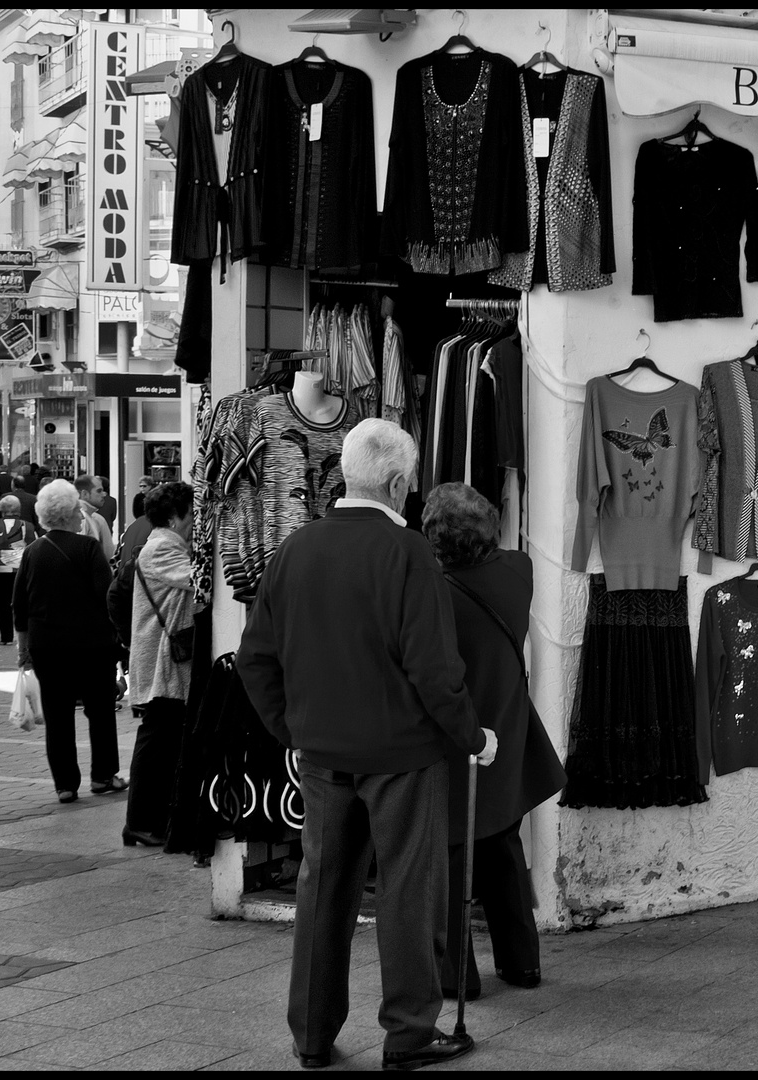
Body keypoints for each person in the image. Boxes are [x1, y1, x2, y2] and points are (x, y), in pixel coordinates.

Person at [236, 418, 498, 1073]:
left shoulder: (297, 549)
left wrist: (291, 730)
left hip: (324, 755)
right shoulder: (406, 552)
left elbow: (254, 659)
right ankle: (409, 1033)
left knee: (321, 891)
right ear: (399, 481)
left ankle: (312, 1035)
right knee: (409, 893)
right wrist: (472, 736)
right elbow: (434, 669)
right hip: (402, 756)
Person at [422, 483, 566, 999]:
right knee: (503, 849)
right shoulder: (518, 571)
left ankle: (458, 978)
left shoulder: (433, 592)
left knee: (451, 859)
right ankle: (522, 963)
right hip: (507, 735)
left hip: (453, 739)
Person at [13, 479, 126, 804]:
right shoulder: (88, 548)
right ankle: (104, 776)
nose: (81, 514)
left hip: (47, 646)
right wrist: (118, 638)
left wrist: (23, 648)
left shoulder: (33, 552)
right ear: (68, 514)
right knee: (101, 711)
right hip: (92, 645)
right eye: (77, 508)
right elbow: (107, 596)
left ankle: (65, 784)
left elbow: (20, 604)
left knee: (58, 715)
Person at [122, 481, 197, 847]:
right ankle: (138, 821)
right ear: (174, 516)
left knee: (164, 740)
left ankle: (152, 818)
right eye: (191, 512)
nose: (195, 519)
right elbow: (198, 581)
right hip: (160, 663)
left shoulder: (171, 545)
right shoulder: (161, 549)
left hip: (167, 661)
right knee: (155, 740)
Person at [0, 495, 39, 647]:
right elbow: (35, 544)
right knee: (22, 602)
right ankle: (24, 632)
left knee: (2, 603)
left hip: (0, 569)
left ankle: (6, 637)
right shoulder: (27, 526)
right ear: (18, 509)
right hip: (21, 569)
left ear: (2, 510)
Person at [74, 475, 117, 560]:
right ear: (85, 494)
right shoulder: (81, 518)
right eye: (99, 491)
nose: (103, 494)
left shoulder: (95, 518)